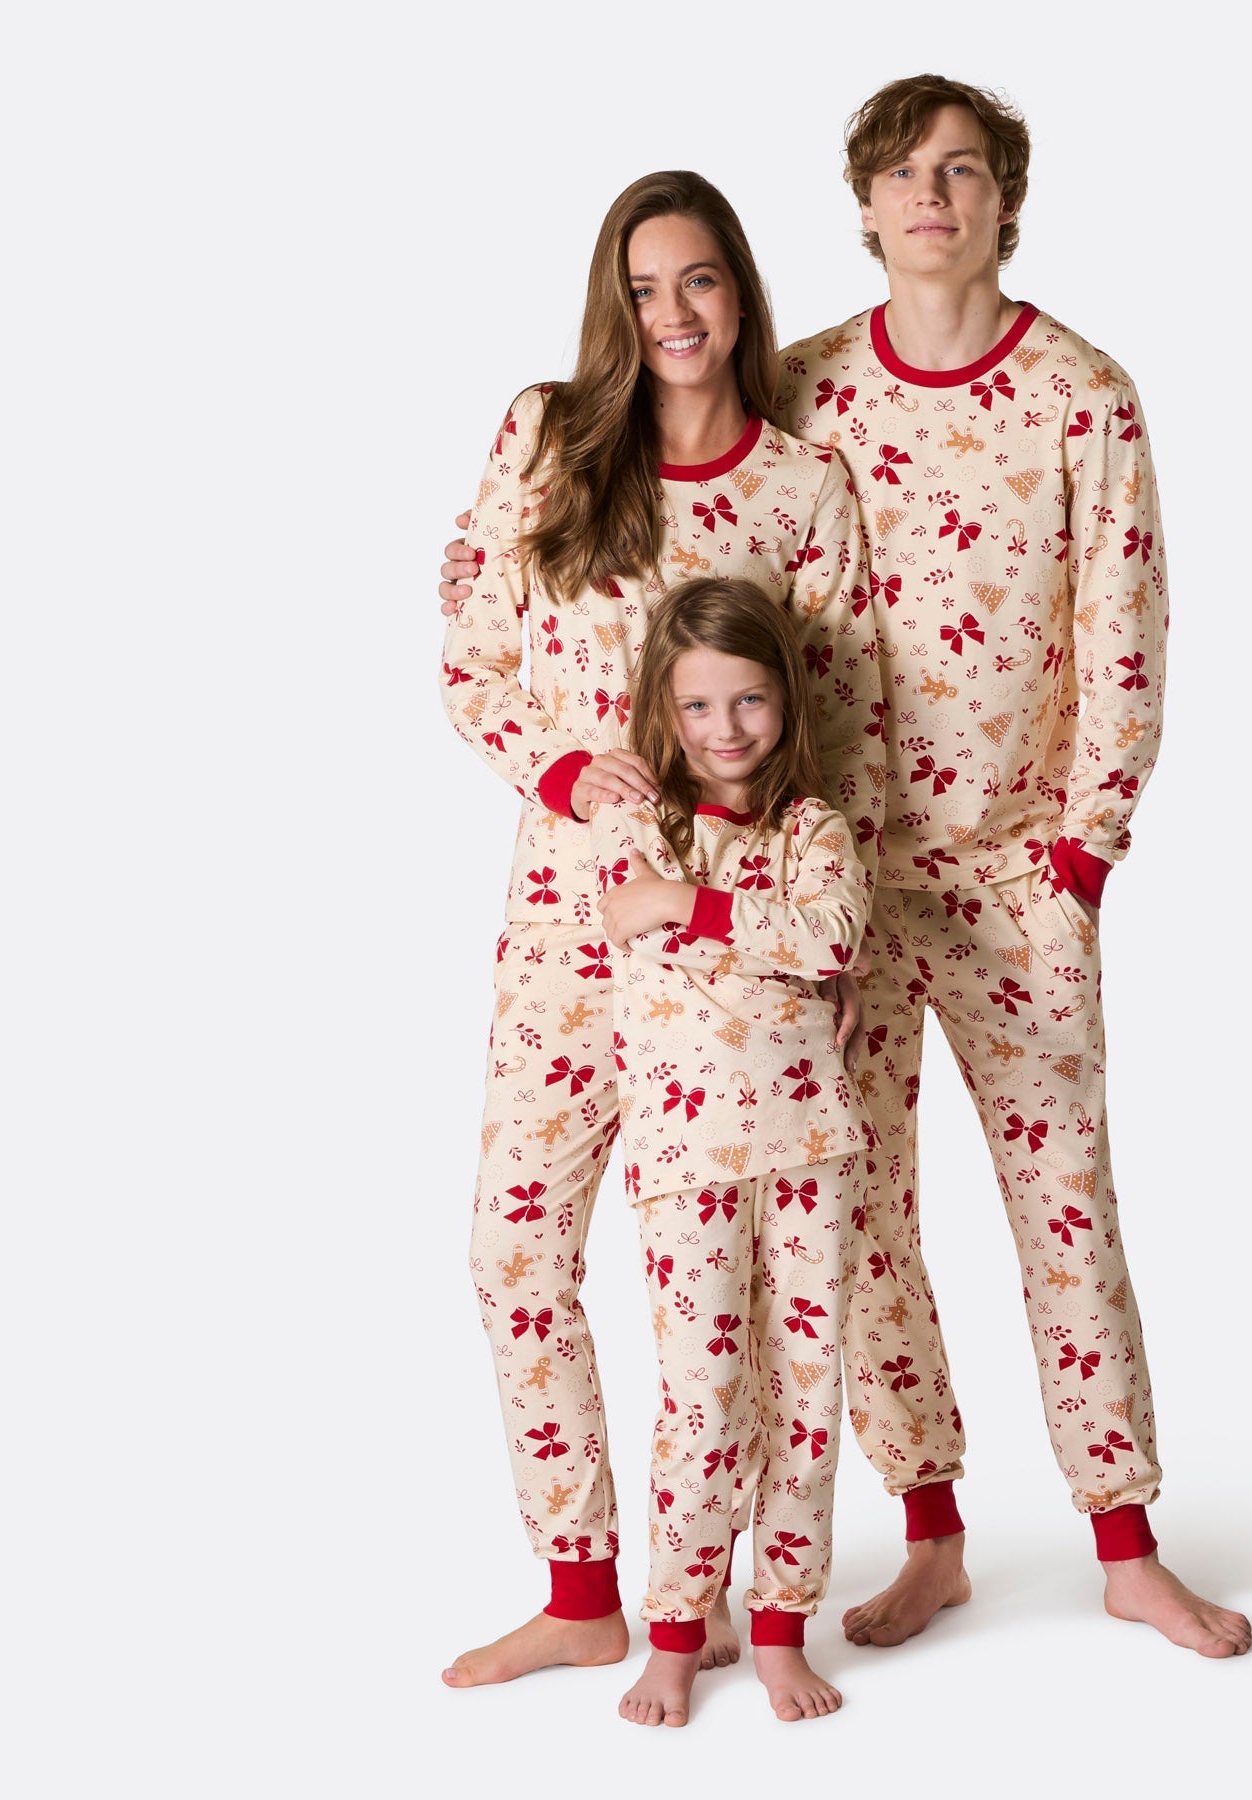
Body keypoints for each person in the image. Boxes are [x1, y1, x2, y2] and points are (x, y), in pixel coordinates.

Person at [440, 76, 1251, 1661]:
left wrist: (1082, 851)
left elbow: (1114, 629)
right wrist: (589, 785)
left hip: (967, 887)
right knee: (839, 1227)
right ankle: (884, 1542)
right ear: (862, 206)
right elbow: (506, 638)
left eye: (962, 172)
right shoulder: (775, 396)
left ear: (1006, 196)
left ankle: (1120, 1538)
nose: (931, 198)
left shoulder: (1054, 403)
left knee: (1054, 1208)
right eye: (901, 174)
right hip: (716, 913)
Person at [437, 171, 880, 1690]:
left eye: (698, 280)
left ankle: (730, 1604)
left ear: (739, 290)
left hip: (742, 976)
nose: (673, 314)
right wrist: (558, 767)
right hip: (571, 926)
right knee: (515, 1249)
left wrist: (823, 951)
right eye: (643, 288)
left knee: (739, 1303)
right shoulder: (550, 438)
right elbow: (471, 655)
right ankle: (582, 1592)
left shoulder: (804, 489)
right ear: (612, 306)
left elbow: (848, 730)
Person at [595, 576, 870, 1726]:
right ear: (665, 709)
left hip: (813, 1149)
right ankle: (675, 1630)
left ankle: (780, 1631)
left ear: (786, 699)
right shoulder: (637, 828)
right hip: (688, 1157)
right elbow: (637, 935)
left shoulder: (814, 830)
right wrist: (763, 943)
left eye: (749, 700)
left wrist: (694, 908)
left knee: (807, 1393)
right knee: (704, 1404)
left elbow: (833, 937)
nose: (726, 728)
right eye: (700, 705)